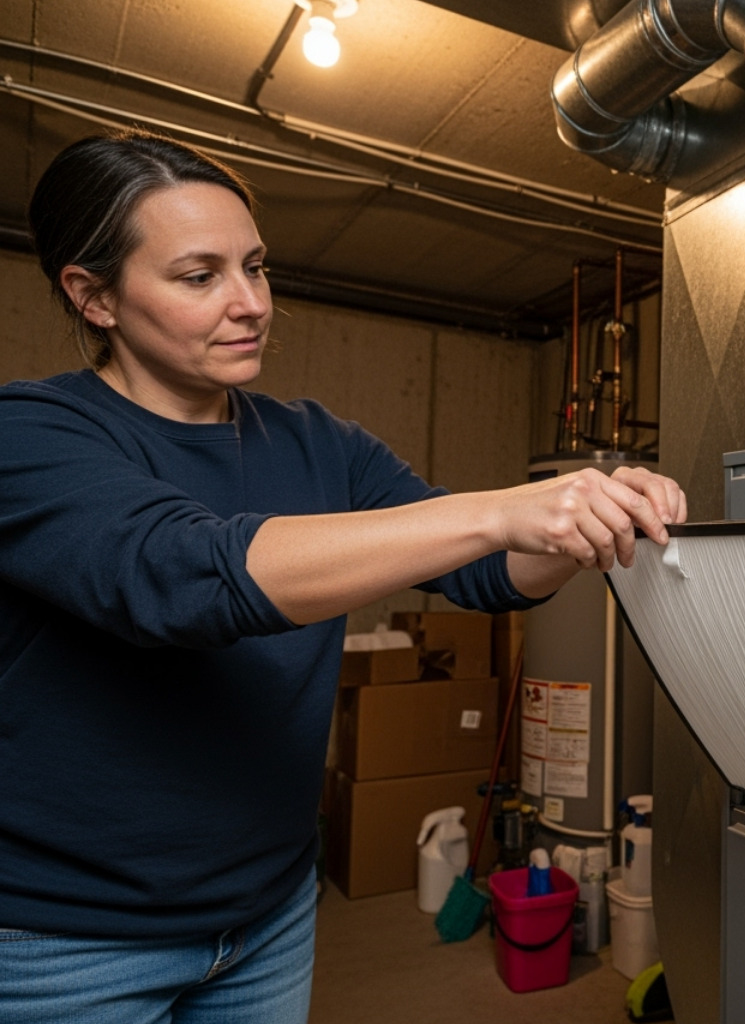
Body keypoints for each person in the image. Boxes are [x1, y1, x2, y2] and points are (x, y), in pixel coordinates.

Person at [0, 129, 685, 1023]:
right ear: (94, 296)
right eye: (200, 277)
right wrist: (498, 509)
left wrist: (587, 517)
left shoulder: (319, 442)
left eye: (256, 267)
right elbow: (182, 575)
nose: (251, 304)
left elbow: (484, 570)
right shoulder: (33, 433)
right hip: (70, 940)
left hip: (269, 914)